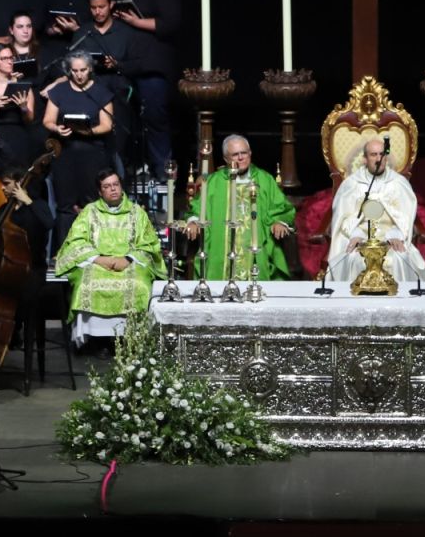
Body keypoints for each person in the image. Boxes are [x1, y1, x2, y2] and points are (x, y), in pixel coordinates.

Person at [54, 168, 162, 348]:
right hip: (96, 262)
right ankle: (97, 340)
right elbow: (76, 242)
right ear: (100, 191)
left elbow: (149, 244)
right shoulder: (89, 212)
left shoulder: (137, 213)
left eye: (115, 184)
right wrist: (99, 259)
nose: (113, 189)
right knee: (86, 284)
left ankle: (132, 338)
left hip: (129, 263)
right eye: (107, 186)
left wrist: (127, 258)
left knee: (139, 285)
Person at [105, 0, 183, 177]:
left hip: (151, 68)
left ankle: (163, 174)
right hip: (122, 66)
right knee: (119, 121)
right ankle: (120, 174)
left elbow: (172, 23)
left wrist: (137, 22)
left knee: (154, 119)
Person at [180, 135, 295, 280]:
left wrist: (279, 222)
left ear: (250, 153)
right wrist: (194, 221)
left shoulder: (265, 180)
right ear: (226, 159)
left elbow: (282, 207)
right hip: (220, 253)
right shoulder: (214, 182)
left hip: (257, 251)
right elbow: (197, 207)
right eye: (235, 154)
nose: (241, 158)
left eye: (244, 153)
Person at [324, 135, 425, 287]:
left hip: (391, 241)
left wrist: (396, 234)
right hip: (361, 241)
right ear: (365, 159)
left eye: (382, 154)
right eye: (373, 155)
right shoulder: (352, 184)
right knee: (355, 260)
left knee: (399, 259)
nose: (378, 158)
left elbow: (406, 216)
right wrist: (355, 234)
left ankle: (400, 307)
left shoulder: (398, 183)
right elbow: (342, 218)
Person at [41, 52, 117, 215]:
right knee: (65, 204)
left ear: (89, 69)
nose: (79, 75)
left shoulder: (100, 92)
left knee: (91, 204)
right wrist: (57, 128)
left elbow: (107, 125)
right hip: (65, 154)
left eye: (83, 70)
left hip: (92, 154)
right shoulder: (59, 91)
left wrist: (88, 131)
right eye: (75, 71)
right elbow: (48, 120)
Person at [0, 42, 40, 171]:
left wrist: (23, 107)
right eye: (4, 58)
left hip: (19, 137)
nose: (9, 62)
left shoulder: (23, 84)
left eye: (11, 58)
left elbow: (29, 119)